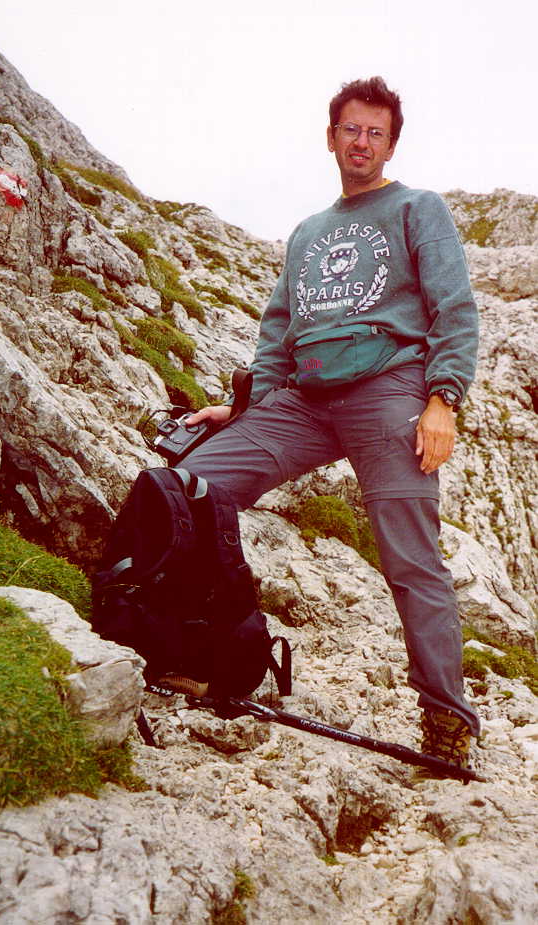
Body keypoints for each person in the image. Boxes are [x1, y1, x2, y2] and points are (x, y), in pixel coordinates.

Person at [182, 76, 480, 777]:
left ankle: (446, 718)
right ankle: (197, 648)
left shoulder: (418, 208)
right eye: (352, 129)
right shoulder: (309, 233)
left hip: (391, 389)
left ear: (391, 143)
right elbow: (278, 328)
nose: (362, 142)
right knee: (194, 484)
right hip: (304, 399)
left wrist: (444, 398)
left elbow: (455, 308)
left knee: (410, 556)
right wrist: (245, 405)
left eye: (376, 132)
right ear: (331, 136)